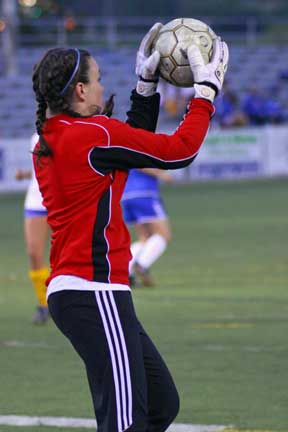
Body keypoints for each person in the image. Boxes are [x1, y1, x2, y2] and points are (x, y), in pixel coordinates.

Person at [32, 22, 228, 432]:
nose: (103, 88)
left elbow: (127, 147)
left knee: (160, 405)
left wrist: (146, 87)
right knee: (125, 424)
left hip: (89, 293)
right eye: (98, 80)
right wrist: (205, 94)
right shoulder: (92, 136)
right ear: (80, 91)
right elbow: (178, 152)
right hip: (93, 292)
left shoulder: (56, 136)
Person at [16, 133, 50, 324]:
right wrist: (26, 175)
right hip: (37, 200)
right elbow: (40, 168)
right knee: (34, 253)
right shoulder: (36, 136)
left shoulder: (71, 130)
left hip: (62, 197)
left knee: (65, 252)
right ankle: (43, 303)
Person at [122, 168, 173, 287]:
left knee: (144, 238)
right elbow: (140, 161)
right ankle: (142, 265)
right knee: (164, 235)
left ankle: (127, 271)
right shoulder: (141, 149)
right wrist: (160, 174)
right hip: (144, 193)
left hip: (127, 194)